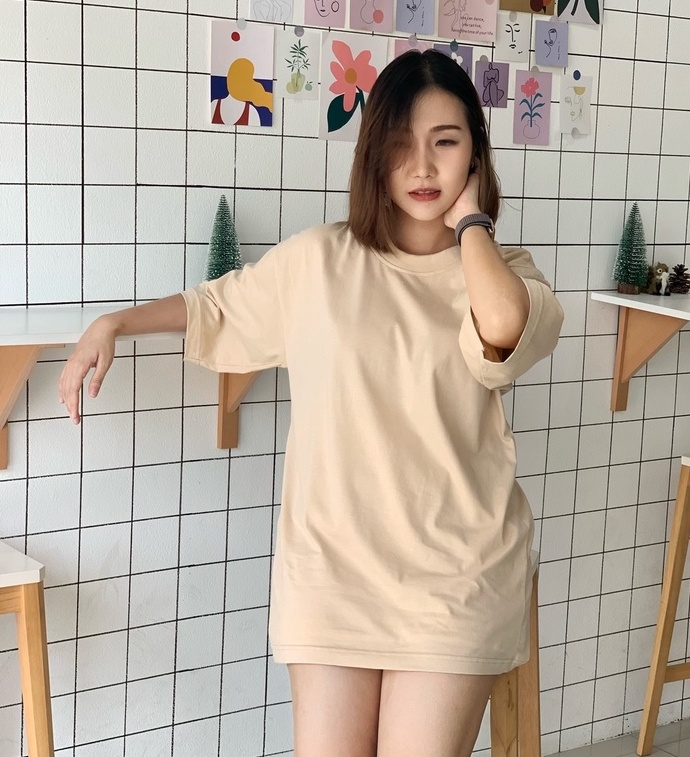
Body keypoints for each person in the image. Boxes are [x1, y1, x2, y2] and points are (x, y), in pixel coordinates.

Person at [59, 49, 563, 757]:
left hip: (456, 578)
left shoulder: (504, 275)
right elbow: (216, 306)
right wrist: (115, 321)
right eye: (400, 144)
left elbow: (503, 327)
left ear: (475, 156)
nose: (422, 167)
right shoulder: (319, 260)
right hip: (331, 573)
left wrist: (472, 223)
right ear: (373, 156)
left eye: (445, 143)